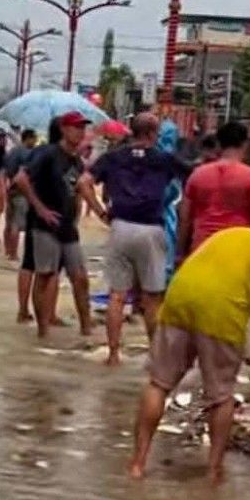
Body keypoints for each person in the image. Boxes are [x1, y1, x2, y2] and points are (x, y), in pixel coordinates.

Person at [129, 223, 250, 482]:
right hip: (222, 312)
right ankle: (214, 471)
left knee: (159, 384)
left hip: (179, 297)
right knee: (221, 396)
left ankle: (137, 464)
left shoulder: (237, 234)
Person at [77, 112, 180, 366]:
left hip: (120, 227)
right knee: (152, 298)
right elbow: (193, 180)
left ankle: (113, 355)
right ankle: (156, 358)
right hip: (151, 230)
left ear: (132, 131)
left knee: (117, 296)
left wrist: (101, 212)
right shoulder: (165, 159)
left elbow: (83, 182)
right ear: (154, 134)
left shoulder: (113, 157)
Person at [14, 112, 95, 338]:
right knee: (46, 276)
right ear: (64, 129)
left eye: (83, 128)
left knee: (80, 278)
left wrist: (97, 211)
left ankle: (86, 328)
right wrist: (39, 208)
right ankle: (42, 332)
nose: (81, 132)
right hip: (44, 226)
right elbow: (20, 179)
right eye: (76, 127)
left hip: (68, 227)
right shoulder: (48, 154)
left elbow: (80, 189)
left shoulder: (76, 161)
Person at [177, 121, 250, 260]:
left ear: (219, 145)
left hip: (201, 249)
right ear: (245, 144)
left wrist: (180, 253)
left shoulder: (197, 174)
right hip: (235, 251)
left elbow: (185, 219)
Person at [3, 128, 38, 262]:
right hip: (22, 192)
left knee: (9, 222)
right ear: (28, 138)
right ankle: (13, 255)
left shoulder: (12, 152)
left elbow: (5, 172)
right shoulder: (28, 154)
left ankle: (7, 251)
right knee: (17, 224)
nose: (35, 142)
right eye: (34, 139)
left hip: (10, 190)